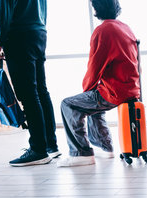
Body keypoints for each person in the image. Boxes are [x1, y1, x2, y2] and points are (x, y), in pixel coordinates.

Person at [57, 0, 139, 167]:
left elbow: (95, 66)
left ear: (96, 8)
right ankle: (105, 147)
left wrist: (87, 89)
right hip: (131, 89)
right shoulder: (125, 27)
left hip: (115, 92)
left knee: (68, 104)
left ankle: (80, 153)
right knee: (93, 99)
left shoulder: (103, 30)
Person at [0, 0, 60, 167]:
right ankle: (50, 145)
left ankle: (38, 150)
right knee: (41, 90)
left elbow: (4, 9)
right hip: (38, 32)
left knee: (28, 94)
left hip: (19, 35)